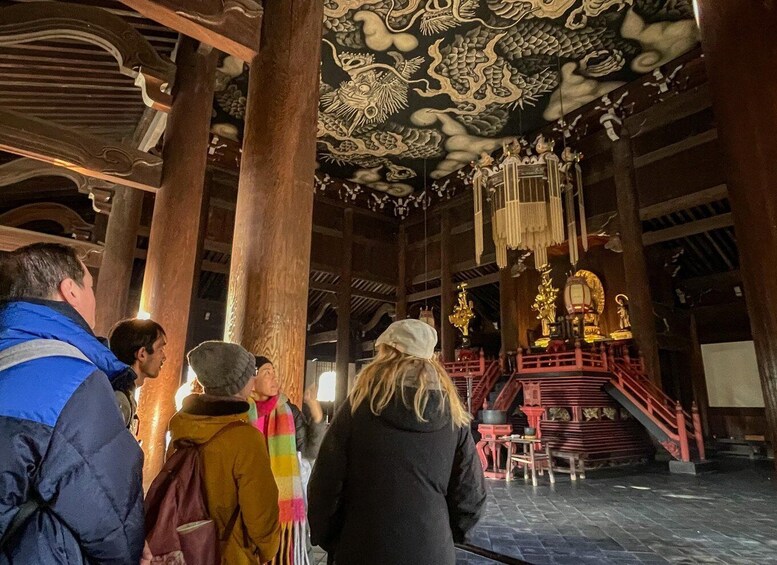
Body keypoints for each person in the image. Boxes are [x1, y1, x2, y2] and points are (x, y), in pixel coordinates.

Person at [0, 243, 145, 564]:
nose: (94, 298)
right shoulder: (69, 378)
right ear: (70, 291)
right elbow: (111, 519)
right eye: (90, 286)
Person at [308, 319, 487, 565]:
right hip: (431, 551)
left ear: (386, 354)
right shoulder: (453, 416)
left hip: (362, 546)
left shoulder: (358, 408)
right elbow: (471, 494)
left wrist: (332, 538)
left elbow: (325, 484)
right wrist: (444, 534)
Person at [169, 341, 281, 565]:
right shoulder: (245, 439)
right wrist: (267, 550)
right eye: (251, 373)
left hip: (187, 545)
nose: (253, 378)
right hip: (231, 551)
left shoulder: (181, 426)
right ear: (237, 383)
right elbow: (261, 515)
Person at [248, 356, 326, 565]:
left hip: (284, 500)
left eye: (274, 372)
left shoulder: (287, 411)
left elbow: (309, 452)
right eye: (267, 373)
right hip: (251, 497)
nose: (275, 378)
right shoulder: (239, 412)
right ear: (251, 379)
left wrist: (316, 411)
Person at [108, 318, 167, 434]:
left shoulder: (118, 391)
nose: (164, 357)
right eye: (161, 349)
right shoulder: (120, 399)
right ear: (142, 354)